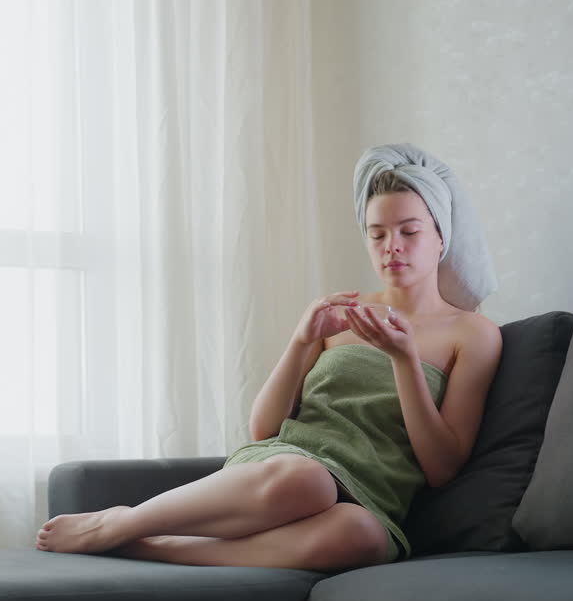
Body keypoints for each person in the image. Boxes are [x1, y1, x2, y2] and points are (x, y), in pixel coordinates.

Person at [35, 145, 503, 572]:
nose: (391, 246)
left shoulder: (473, 333)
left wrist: (404, 360)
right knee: (310, 483)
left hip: (369, 499)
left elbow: (443, 467)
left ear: (441, 238)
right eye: (377, 234)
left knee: (360, 535)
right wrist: (300, 342)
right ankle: (120, 524)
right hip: (291, 471)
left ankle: (154, 546)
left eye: (409, 231)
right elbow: (264, 430)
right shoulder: (345, 313)